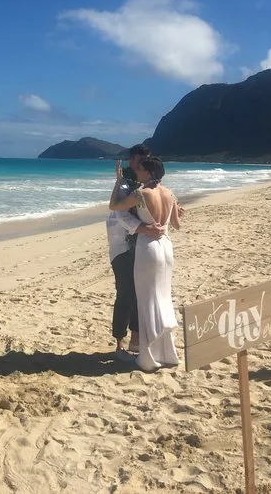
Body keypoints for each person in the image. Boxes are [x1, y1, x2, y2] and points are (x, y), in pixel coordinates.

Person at [131, 157, 184, 372]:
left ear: (149, 172)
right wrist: (177, 212)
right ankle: (167, 352)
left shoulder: (141, 194)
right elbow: (177, 225)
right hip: (166, 247)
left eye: (140, 169)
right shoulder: (170, 194)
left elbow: (114, 206)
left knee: (147, 299)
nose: (137, 172)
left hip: (149, 247)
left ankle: (149, 356)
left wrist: (118, 183)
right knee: (163, 296)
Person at [104, 145, 154, 361]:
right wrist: (145, 229)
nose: (145, 165)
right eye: (143, 161)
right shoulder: (125, 184)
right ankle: (119, 343)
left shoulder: (143, 184)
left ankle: (135, 340)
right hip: (121, 246)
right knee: (125, 294)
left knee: (139, 293)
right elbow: (119, 213)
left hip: (139, 245)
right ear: (134, 161)